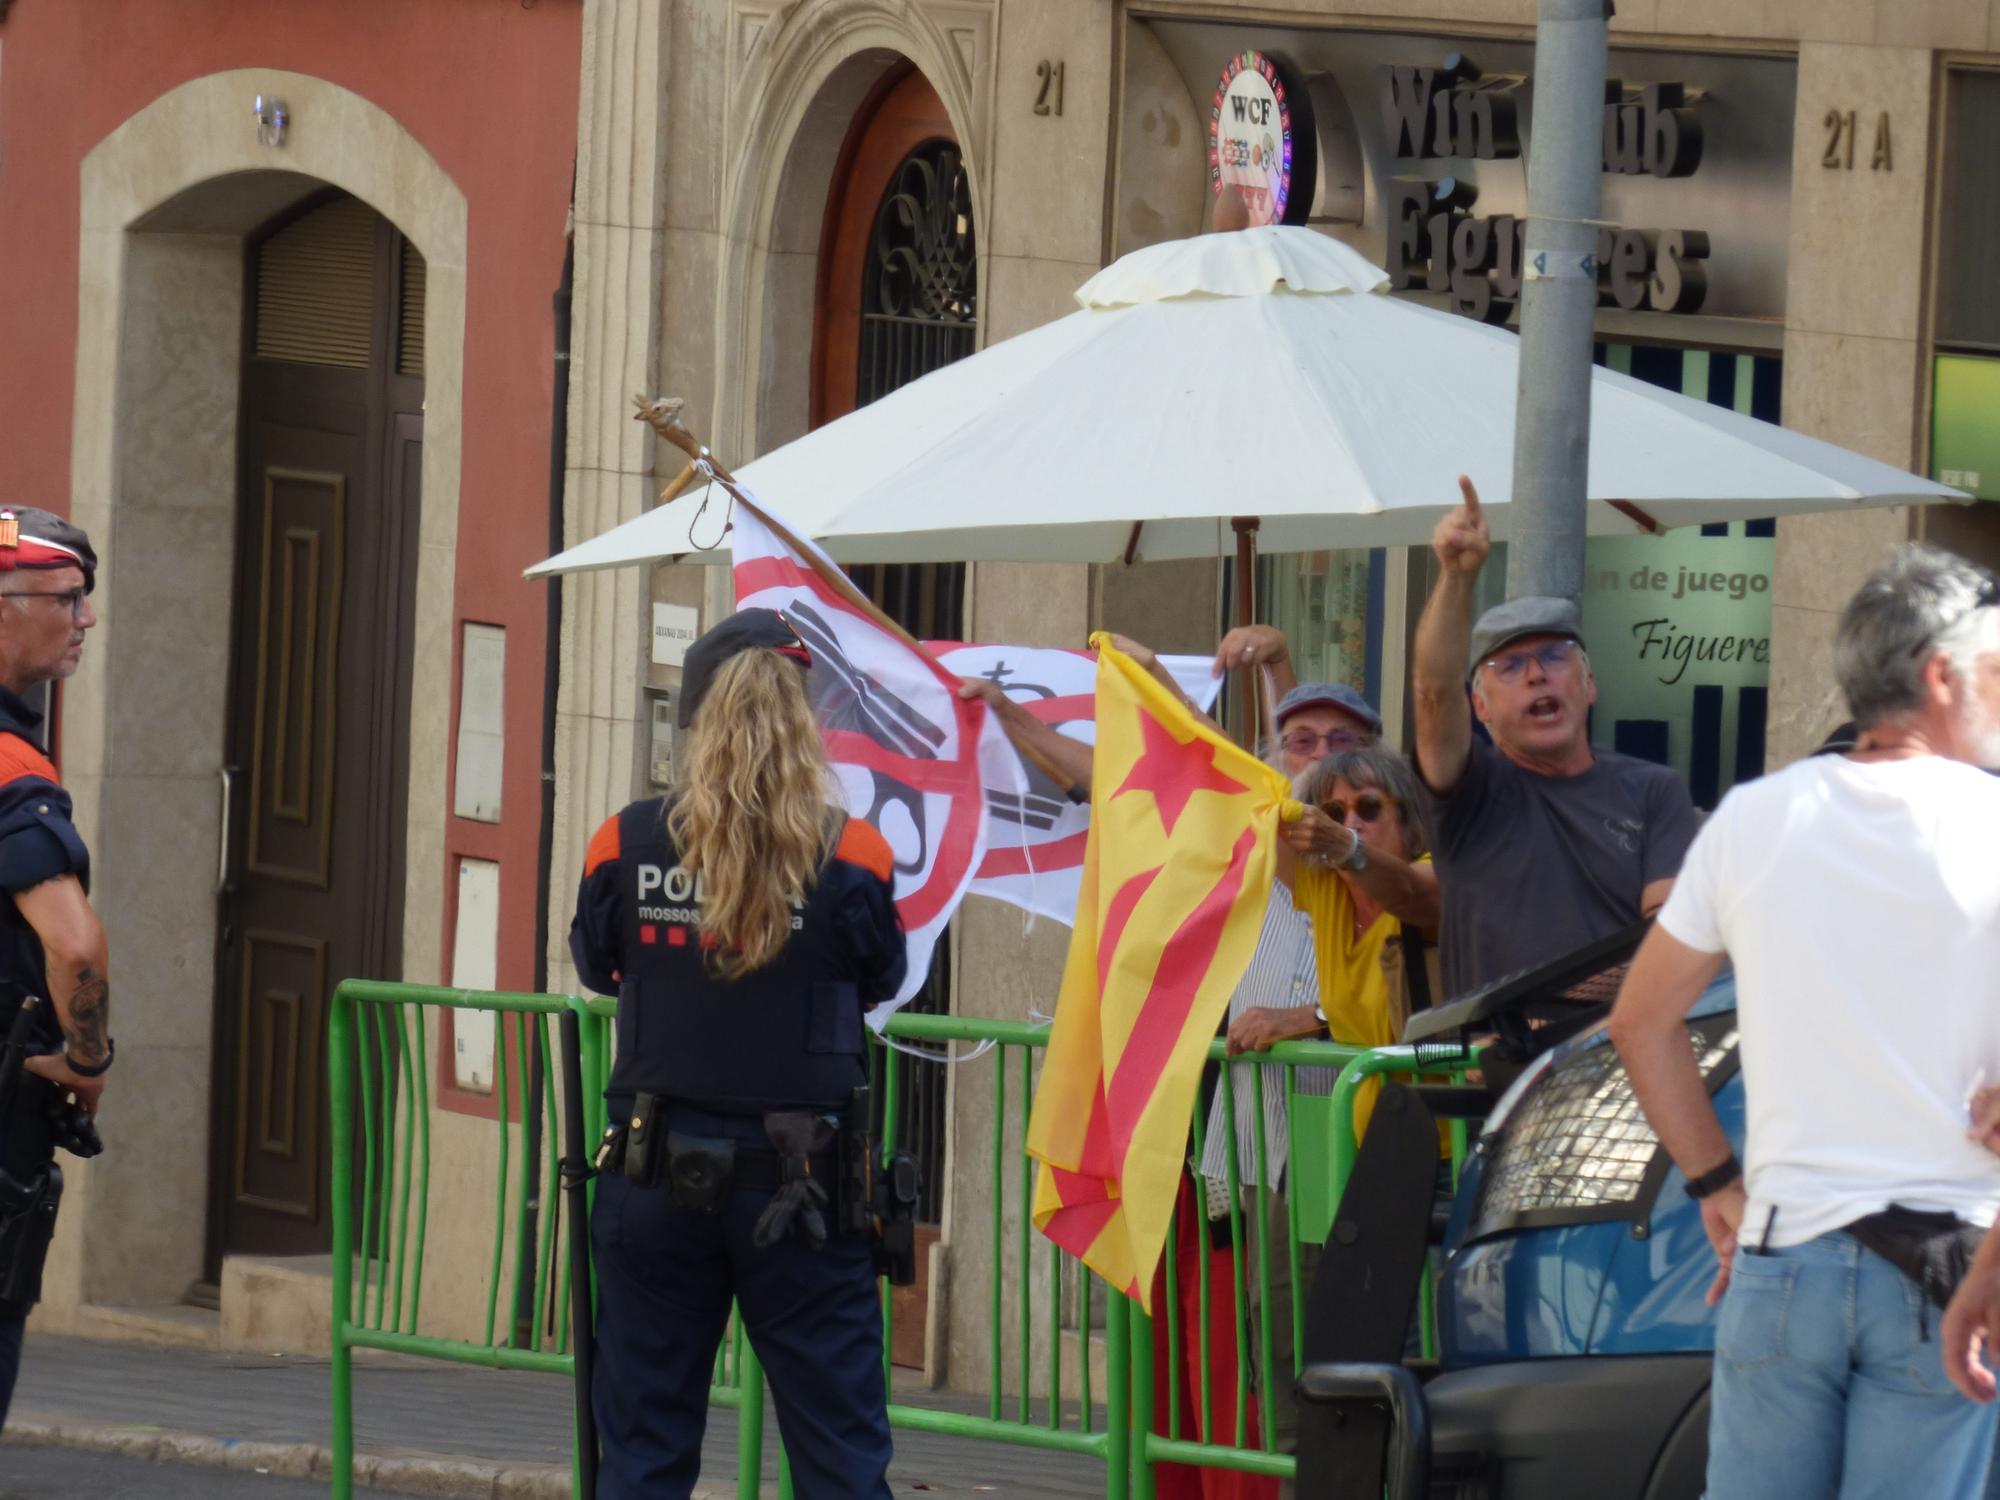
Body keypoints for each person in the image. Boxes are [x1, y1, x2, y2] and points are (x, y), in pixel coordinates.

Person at [1609, 545, 2000, 1499]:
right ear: (1942, 675)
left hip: (1783, 1263)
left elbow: (1640, 1021)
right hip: (1950, 1265)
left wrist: (1719, 1187)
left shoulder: (1754, 818)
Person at [570, 608, 907, 1500]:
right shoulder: (857, 854)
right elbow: (880, 978)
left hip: (650, 1175)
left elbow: (598, 967)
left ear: (693, 719)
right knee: (838, 1456)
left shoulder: (622, 840)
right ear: (805, 723)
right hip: (803, 1189)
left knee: (643, 1450)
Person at [1413, 476, 1699, 999]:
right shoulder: (1469, 790)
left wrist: (1567, 1018)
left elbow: (1668, 937)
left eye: (1553, 656)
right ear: (1480, 707)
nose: (1536, 675)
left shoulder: (1654, 790)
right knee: (1424, 1059)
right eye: (1510, 665)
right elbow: (1432, 690)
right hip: (1486, 1068)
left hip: (1609, 1065)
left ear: (1589, 683)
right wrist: (1456, 578)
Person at [0, 506, 108, 1426]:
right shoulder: (8, 769)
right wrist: (90, 1059)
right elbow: (74, 945)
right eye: (68, 599)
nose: (86, 619)